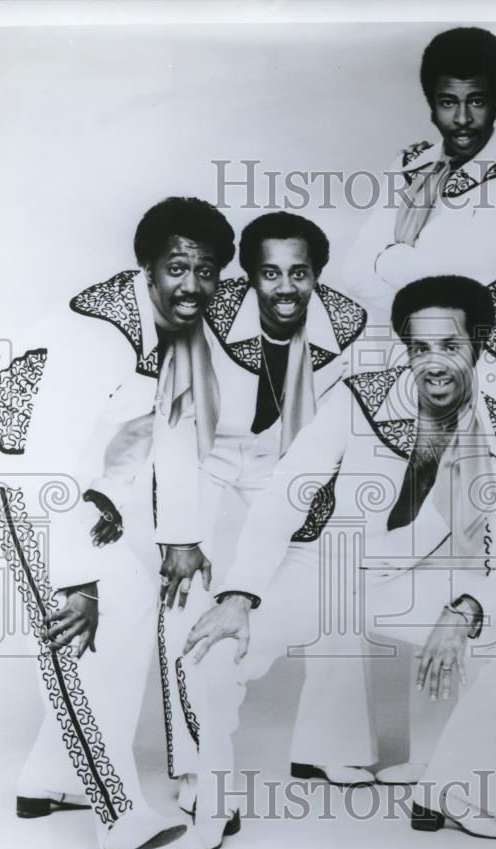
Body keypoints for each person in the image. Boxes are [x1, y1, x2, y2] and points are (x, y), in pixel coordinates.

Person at [174, 276, 496, 849]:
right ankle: (213, 796)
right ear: (406, 349)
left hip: (409, 582)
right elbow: (287, 492)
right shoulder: (358, 397)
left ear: (478, 347)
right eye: (420, 347)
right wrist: (241, 592)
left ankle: (459, 790)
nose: (435, 364)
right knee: (214, 645)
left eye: (450, 347)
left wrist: (468, 608)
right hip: (321, 571)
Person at [0, 196, 235, 849]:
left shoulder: (172, 333)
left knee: (123, 619)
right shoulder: (100, 335)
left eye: (206, 271)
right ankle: (120, 817)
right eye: (177, 266)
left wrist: (143, 516)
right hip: (20, 486)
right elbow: (42, 460)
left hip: (80, 487)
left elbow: (158, 431)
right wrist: (75, 580)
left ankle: (48, 778)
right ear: (146, 266)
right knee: (77, 635)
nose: (192, 285)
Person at [148, 211, 375, 815]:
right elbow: (171, 421)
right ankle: (195, 765)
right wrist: (180, 530)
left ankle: (331, 743)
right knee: (190, 598)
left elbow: (352, 422)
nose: (284, 288)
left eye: (299, 273)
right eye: (269, 273)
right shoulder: (211, 314)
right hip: (213, 464)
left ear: (316, 275)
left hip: (290, 469)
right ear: (246, 276)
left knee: (338, 582)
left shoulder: (349, 324)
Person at [342, 25, 496, 425]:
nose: (462, 118)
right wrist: (410, 264)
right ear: (431, 103)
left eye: (477, 102)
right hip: (399, 360)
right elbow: (354, 272)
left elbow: (461, 281)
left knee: (478, 485)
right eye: (448, 102)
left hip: (482, 373)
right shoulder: (410, 162)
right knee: (401, 484)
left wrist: (390, 254)